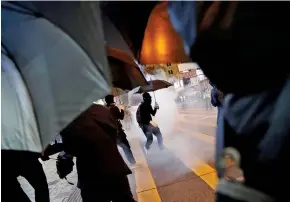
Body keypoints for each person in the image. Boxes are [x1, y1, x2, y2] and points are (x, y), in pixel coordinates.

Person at [61, 104, 136, 202]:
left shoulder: (68, 120)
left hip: (92, 178)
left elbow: (70, 149)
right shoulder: (103, 110)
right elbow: (114, 133)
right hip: (116, 169)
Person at [105, 95, 136, 165]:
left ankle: (122, 163)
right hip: (118, 131)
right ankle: (132, 162)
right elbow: (121, 117)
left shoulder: (105, 109)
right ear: (111, 100)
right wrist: (122, 109)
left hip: (111, 133)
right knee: (126, 147)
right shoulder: (114, 108)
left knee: (119, 148)